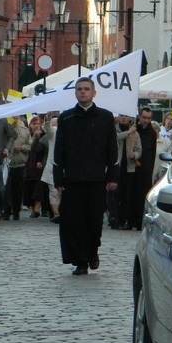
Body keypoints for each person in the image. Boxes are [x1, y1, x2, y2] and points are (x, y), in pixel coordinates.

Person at [53, 77, 119, 275]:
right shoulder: (66, 118)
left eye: (86, 89)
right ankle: (80, 260)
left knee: (94, 221)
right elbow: (59, 151)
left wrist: (113, 177)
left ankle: (92, 252)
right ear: (75, 93)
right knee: (74, 222)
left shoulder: (105, 117)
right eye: (79, 89)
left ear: (93, 93)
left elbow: (112, 149)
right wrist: (58, 178)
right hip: (73, 179)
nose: (83, 92)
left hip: (97, 179)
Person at [127, 107, 157, 231]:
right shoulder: (135, 130)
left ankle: (140, 221)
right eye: (144, 117)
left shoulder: (152, 133)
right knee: (131, 195)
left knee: (142, 197)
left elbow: (152, 152)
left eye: (149, 118)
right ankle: (130, 220)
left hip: (145, 170)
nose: (146, 120)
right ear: (140, 117)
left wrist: (149, 167)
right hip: (134, 168)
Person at [111, 114, 142, 230]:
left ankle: (124, 219)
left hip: (129, 167)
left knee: (126, 194)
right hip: (116, 166)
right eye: (121, 116)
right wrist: (128, 132)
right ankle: (114, 217)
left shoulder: (135, 133)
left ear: (130, 118)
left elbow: (139, 149)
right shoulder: (114, 129)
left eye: (126, 116)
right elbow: (116, 138)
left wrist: (136, 155)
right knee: (115, 194)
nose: (123, 118)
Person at [4, 116, 31, 221]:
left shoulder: (24, 131)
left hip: (20, 163)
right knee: (6, 188)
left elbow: (30, 145)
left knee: (18, 189)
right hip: (7, 163)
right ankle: (6, 211)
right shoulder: (5, 127)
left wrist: (23, 148)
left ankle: (16, 211)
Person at [22, 115, 47, 218]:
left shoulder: (43, 135)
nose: (36, 126)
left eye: (38, 124)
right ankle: (33, 209)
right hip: (28, 164)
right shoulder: (28, 134)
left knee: (38, 187)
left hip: (38, 164)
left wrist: (40, 161)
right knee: (29, 187)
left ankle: (37, 208)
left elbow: (43, 150)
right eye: (34, 124)